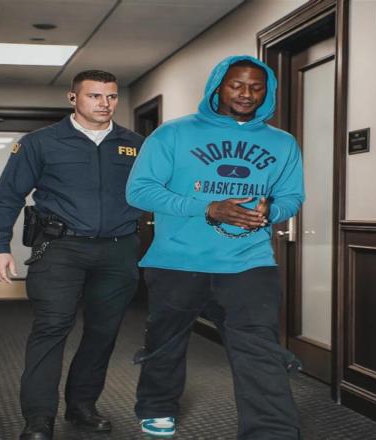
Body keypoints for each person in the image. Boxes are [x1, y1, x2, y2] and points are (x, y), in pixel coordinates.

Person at [126, 55, 305, 439]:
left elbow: (292, 196)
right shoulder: (173, 134)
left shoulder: (282, 143)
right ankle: (158, 405)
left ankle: (271, 432)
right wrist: (206, 207)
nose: (246, 94)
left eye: (256, 87)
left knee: (259, 349)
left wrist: (271, 211)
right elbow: (139, 190)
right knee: (166, 341)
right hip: (177, 259)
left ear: (268, 91)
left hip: (249, 261)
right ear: (218, 86)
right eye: (236, 85)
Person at [0, 70, 143, 440]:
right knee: (51, 328)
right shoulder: (41, 142)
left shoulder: (135, 144)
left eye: (111, 96)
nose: (105, 104)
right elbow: (7, 196)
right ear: (73, 98)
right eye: (94, 96)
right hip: (60, 248)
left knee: (103, 332)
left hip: (118, 250)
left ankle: (82, 407)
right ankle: (38, 419)